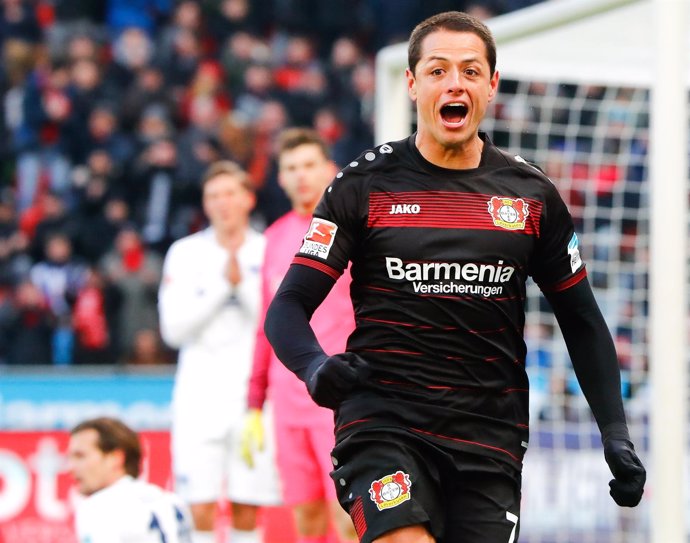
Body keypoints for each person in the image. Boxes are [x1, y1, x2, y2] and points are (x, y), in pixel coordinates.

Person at [263, 11, 646, 543]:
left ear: (490, 87)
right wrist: (313, 367)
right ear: (413, 83)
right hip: (382, 422)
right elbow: (288, 306)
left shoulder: (529, 196)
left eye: (470, 71)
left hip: (489, 435)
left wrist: (615, 433)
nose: (454, 83)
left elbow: (580, 319)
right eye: (439, 70)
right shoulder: (363, 185)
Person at [241, 128, 357, 543]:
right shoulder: (272, 239)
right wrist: (254, 401)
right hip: (287, 403)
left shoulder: (351, 229)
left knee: (348, 517)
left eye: (309, 165)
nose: (301, 175)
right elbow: (265, 324)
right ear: (280, 178)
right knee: (306, 519)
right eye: (291, 167)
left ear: (330, 170)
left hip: (339, 398)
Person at [158, 160, 280, 543]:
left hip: (253, 402)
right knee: (199, 506)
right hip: (198, 398)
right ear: (205, 204)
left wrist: (242, 286)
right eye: (213, 196)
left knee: (247, 505)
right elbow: (172, 330)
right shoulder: (185, 253)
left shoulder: (270, 249)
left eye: (229, 193)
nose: (222, 203)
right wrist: (219, 289)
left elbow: (279, 325)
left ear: (247, 198)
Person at [67, 416, 194, 543]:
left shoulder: (97, 509)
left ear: (115, 458)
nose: (71, 467)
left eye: (80, 456)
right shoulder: (174, 502)